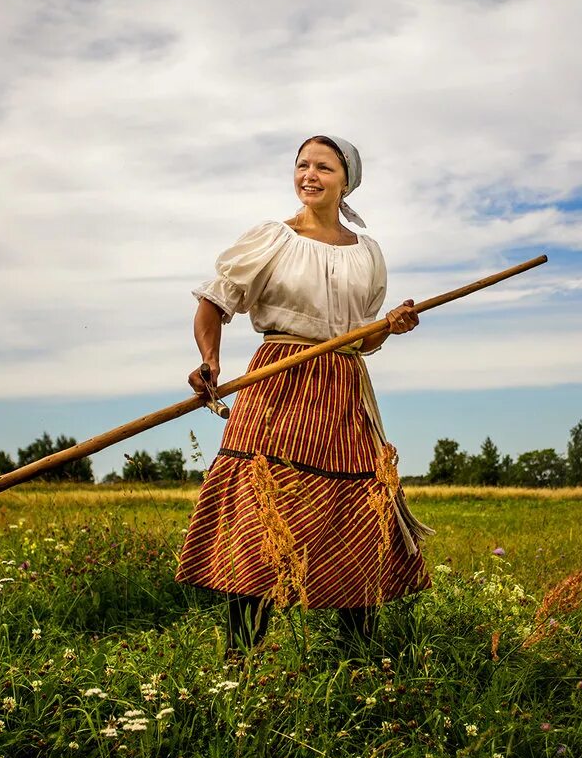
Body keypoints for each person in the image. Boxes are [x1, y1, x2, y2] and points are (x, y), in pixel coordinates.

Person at [174, 135, 433, 656]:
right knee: (260, 513)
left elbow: (363, 337)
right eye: (302, 165)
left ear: (346, 181)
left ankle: (359, 659)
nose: (309, 175)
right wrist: (210, 362)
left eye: (324, 167)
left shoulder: (368, 254)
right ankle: (240, 660)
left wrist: (390, 327)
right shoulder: (272, 238)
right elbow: (213, 302)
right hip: (275, 383)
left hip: (343, 389)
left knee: (355, 512)